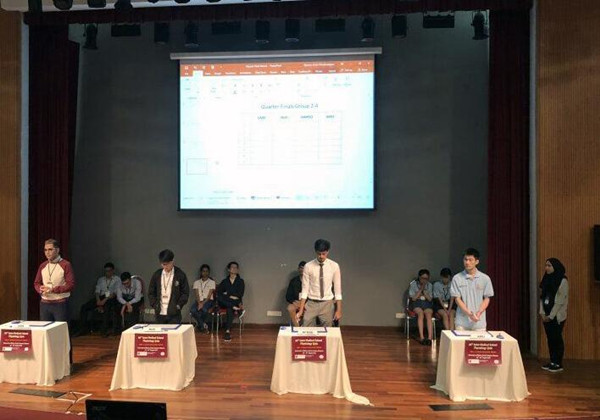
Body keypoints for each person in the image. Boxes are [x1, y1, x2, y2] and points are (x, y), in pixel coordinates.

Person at [297, 239, 342, 328]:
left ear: (328, 252)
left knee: (327, 331)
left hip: (327, 304)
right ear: (315, 251)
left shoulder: (334, 266)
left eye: (323, 254)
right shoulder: (308, 266)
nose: (321, 256)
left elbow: (338, 290)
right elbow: (305, 290)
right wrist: (301, 310)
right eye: (319, 254)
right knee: (306, 329)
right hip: (311, 303)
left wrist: (339, 310)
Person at [450, 248, 494, 331]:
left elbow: (487, 298)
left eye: (470, 260)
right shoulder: (457, 278)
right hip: (462, 323)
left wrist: (479, 312)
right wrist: (469, 313)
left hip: (479, 323)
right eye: (465, 259)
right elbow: (457, 299)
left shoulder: (485, 278)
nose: (467, 262)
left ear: (477, 261)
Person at [34, 239, 76, 323]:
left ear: (57, 250)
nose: (47, 252)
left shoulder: (65, 265)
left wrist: (53, 289)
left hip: (60, 304)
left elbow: (71, 284)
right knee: (45, 329)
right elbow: (36, 283)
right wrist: (40, 289)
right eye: (45, 250)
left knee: (61, 330)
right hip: (45, 303)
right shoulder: (43, 265)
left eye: (50, 249)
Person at [539, 258, 569, 373]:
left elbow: (559, 301)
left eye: (549, 266)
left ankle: (558, 362)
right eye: (546, 265)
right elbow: (542, 297)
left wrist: (551, 316)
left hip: (557, 316)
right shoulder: (546, 279)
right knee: (550, 339)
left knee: (556, 338)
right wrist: (542, 313)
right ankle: (552, 361)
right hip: (546, 315)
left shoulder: (563, 281)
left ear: (555, 267)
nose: (546, 268)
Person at [77, 262, 120, 336]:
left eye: (109, 271)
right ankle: (82, 328)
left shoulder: (117, 279)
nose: (107, 273)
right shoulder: (101, 279)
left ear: (113, 271)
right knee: (84, 307)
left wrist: (104, 301)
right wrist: (98, 300)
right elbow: (97, 291)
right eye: (106, 271)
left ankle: (104, 330)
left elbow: (115, 293)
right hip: (101, 297)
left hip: (110, 298)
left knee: (107, 307)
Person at [148, 249, 190, 324]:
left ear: (172, 261)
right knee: (160, 331)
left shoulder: (180, 274)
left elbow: (185, 292)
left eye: (167, 264)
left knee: (173, 331)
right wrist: (155, 305)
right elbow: (151, 292)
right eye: (163, 264)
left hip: (174, 313)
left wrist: (178, 305)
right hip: (159, 313)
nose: (165, 266)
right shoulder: (157, 275)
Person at [216, 261, 245, 342]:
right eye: (232, 267)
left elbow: (240, 294)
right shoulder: (224, 281)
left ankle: (227, 331)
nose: (234, 269)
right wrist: (231, 296)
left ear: (238, 270)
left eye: (236, 267)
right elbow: (219, 294)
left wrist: (227, 294)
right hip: (227, 302)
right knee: (220, 298)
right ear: (229, 269)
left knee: (229, 308)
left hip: (235, 302)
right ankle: (233, 307)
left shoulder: (240, 281)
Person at [409, 269, 434, 345]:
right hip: (416, 303)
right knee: (420, 314)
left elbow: (430, 299)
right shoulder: (413, 284)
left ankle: (429, 338)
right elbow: (413, 298)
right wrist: (421, 289)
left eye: (426, 278)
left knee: (428, 314)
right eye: (423, 278)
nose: (424, 280)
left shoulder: (429, 285)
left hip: (427, 303)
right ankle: (422, 337)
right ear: (419, 277)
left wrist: (424, 292)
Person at [190, 264, 216, 334]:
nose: (205, 273)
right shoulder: (196, 282)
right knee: (192, 310)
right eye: (203, 271)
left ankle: (200, 325)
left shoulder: (212, 282)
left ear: (209, 272)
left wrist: (202, 304)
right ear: (201, 272)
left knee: (204, 310)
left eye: (207, 271)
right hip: (199, 300)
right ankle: (203, 325)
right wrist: (199, 303)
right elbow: (197, 294)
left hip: (208, 301)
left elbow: (209, 295)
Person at [285, 261, 306, 327]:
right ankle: (297, 327)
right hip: (296, 302)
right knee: (290, 308)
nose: (302, 270)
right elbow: (288, 296)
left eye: (304, 268)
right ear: (298, 269)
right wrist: (294, 302)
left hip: (307, 303)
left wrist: (303, 303)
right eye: (300, 268)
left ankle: (305, 326)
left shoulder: (310, 281)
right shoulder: (293, 281)